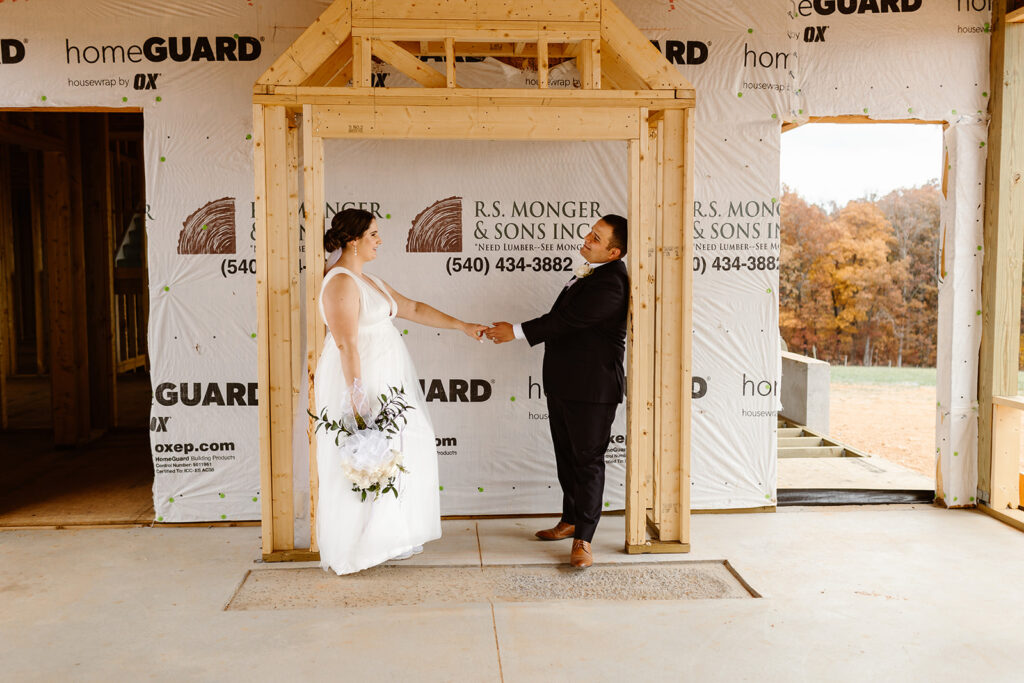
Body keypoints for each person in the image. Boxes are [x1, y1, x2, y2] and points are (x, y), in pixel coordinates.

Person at [315, 208, 487, 575]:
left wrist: (461, 325)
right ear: (353, 240)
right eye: (373, 235)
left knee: (402, 449)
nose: (379, 241)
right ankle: (362, 543)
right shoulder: (341, 282)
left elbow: (411, 307)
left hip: (390, 382)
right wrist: (357, 396)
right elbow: (346, 343)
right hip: (364, 382)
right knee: (367, 456)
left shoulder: (370, 280)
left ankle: (390, 535)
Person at [485, 214, 629, 569]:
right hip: (564, 383)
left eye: (596, 237)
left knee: (588, 461)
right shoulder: (592, 272)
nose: (586, 238)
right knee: (567, 456)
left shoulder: (612, 282)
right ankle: (570, 520)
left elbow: (567, 322)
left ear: (614, 252)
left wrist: (515, 331)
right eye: (590, 233)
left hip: (592, 388)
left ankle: (585, 539)